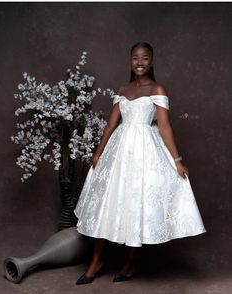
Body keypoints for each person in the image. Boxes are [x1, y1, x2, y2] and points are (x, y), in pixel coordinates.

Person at [74, 42, 206, 285]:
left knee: (138, 204)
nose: (140, 62)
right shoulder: (122, 89)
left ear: (152, 61)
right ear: (130, 61)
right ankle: (95, 262)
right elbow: (111, 125)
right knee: (108, 203)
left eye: (145, 58)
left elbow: (164, 126)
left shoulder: (157, 89)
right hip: (120, 152)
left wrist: (177, 161)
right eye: (135, 58)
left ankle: (131, 262)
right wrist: (99, 151)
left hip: (145, 152)